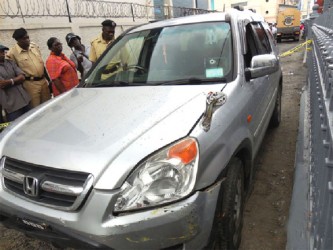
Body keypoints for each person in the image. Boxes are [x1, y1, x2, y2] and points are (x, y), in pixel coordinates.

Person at [7, 28, 51, 108]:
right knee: (35, 109)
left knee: (48, 106)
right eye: (24, 38)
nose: (27, 40)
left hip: (43, 81)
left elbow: (41, 64)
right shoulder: (12, 53)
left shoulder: (34, 46)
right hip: (30, 84)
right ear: (18, 40)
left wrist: (48, 80)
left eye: (28, 37)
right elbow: (14, 72)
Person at [0, 44, 31, 122]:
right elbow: (2, 84)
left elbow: (22, 77)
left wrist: (10, 81)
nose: (3, 54)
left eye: (3, 51)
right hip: (12, 105)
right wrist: (16, 79)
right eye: (0, 52)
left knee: (32, 124)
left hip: (25, 100)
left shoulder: (10, 62)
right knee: (18, 131)